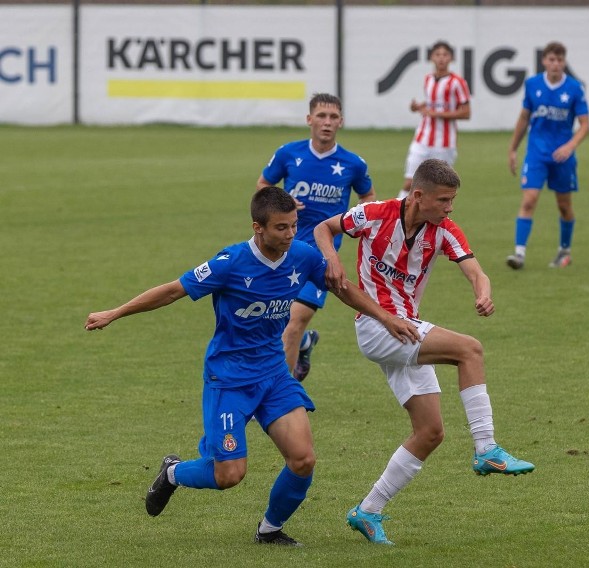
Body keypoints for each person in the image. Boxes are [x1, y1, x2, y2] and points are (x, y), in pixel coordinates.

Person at [85, 187, 419, 546]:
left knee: (303, 459)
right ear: (258, 228)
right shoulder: (229, 262)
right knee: (229, 474)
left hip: (274, 374)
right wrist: (115, 313)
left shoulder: (302, 255)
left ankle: (270, 530)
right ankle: (173, 472)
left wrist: (386, 319)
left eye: (294, 225)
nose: (291, 234)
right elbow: (172, 291)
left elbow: (342, 287)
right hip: (228, 378)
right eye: (281, 228)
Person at [314, 159, 535, 546]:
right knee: (470, 350)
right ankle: (486, 447)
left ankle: (367, 511)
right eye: (444, 200)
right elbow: (323, 227)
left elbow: (475, 270)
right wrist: (332, 256)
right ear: (418, 196)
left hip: (405, 329)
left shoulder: (444, 231)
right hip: (376, 327)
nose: (450, 208)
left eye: (452, 200)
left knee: (430, 432)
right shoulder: (374, 214)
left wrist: (482, 290)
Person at [256, 93, 376, 381]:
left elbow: (368, 197)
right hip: (282, 251)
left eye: (333, 117)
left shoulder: (353, 164)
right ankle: (304, 345)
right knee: (273, 320)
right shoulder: (289, 154)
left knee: (294, 322)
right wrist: (280, 200)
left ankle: (279, 395)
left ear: (341, 122)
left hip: (321, 257)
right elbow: (263, 186)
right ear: (309, 119)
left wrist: (359, 224)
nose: (327, 122)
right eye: (321, 116)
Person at [506, 41, 589, 270]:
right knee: (529, 199)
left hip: (563, 157)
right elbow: (524, 118)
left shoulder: (574, 88)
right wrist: (513, 148)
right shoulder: (532, 85)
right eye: (551, 59)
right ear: (544, 61)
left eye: (560, 60)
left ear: (564, 62)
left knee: (564, 206)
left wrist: (570, 146)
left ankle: (564, 250)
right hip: (536, 153)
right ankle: (519, 254)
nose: (556, 64)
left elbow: (584, 125)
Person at [397, 40, 471, 199]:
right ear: (432, 57)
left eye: (445, 55)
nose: (441, 58)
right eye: (438, 54)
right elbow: (432, 102)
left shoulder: (457, 83)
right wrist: (417, 107)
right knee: (410, 181)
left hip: (444, 142)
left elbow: (466, 112)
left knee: (440, 186)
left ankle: (435, 220)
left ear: (451, 58)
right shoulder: (428, 79)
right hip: (422, 138)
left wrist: (437, 113)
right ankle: (397, 215)